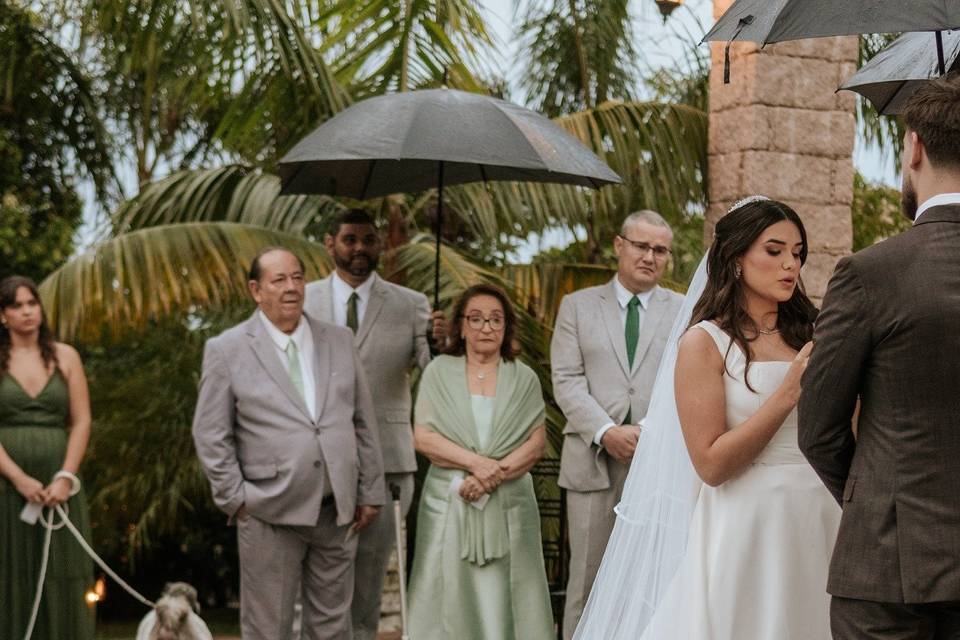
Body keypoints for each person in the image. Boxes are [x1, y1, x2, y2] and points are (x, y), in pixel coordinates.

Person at [574, 197, 841, 640]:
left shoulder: (816, 333)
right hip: (746, 524)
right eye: (773, 251)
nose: (789, 265)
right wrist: (787, 392)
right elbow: (711, 464)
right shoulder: (704, 342)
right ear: (736, 259)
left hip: (820, 516)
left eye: (797, 253)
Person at [799, 73, 960, 638]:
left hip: (887, 575)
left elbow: (818, 429)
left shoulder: (869, 273)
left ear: (913, 145)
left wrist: (878, 504)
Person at [192, 247, 385, 640]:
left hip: (337, 512)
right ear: (255, 290)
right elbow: (211, 434)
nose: (291, 287)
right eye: (279, 280)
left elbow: (363, 421)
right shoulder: (226, 350)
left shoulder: (339, 340)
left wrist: (369, 491)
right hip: (268, 513)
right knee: (269, 630)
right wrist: (237, 500)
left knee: (333, 628)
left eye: (297, 277)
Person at [304, 209, 444, 640]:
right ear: (330, 244)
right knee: (319, 578)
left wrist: (441, 344)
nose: (359, 248)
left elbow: (435, 374)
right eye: (350, 239)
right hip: (317, 460)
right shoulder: (303, 300)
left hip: (387, 459)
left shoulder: (411, 304)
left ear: (380, 244)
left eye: (369, 239)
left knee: (369, 579)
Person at [550, 210, 684, 638]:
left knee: (649, 582)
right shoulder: (577, 305)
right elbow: (566, 380)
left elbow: (683, 378)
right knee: (585, 584)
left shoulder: (684, 310)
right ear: (619, 245)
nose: (649, 256)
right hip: (591, 464)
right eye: (641, 246)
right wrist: (606, 431)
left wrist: (648, 430)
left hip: (656, 463)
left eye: (659, 249)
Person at [406, 283, 554, 640]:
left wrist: (493, 474)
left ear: (506, 327)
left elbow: (536, 443)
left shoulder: (524, 377)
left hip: (510, 507)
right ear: (460, 326)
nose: (486, 327)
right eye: (476, 319)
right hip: (450, 503)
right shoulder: (439, 371)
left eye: (495, 319)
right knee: (446, 593)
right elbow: (423, 437)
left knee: (509, 593)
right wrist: (479, 464)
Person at [0, 275, 95, 640]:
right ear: (3, 315)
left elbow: (82, 420)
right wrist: (17, 478)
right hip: (8, 485)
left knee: (61, 571)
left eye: (32, 303)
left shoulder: (66, 355)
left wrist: (65, 477)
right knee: (10, 570)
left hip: (59, 486)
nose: (27, 312)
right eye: (16, 306)